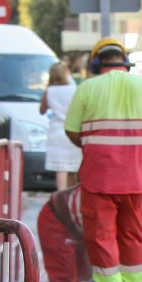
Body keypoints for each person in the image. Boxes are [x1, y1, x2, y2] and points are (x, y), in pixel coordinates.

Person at [64, 38, 142, 282]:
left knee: (101, 235)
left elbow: (72, 130)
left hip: (98, 177)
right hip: (134, 177)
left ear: (95, 63)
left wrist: (94, 145)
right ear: (125, 61)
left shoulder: (87, 89)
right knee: (133, 234)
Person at [38, 185, 142, 282]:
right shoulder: (106, 210)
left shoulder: (125, 205)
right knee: (65, 278)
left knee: (85, 275)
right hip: (56, 220)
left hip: (81, 222)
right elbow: (100, 251)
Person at [40, 62, 82, 191]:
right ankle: (72, 194)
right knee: (73, 167)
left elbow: (42, 110)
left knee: (61, 168)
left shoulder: (50, 91)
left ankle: (61, 195)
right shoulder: (74, 89)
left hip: (56, 130)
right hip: (72, 129)